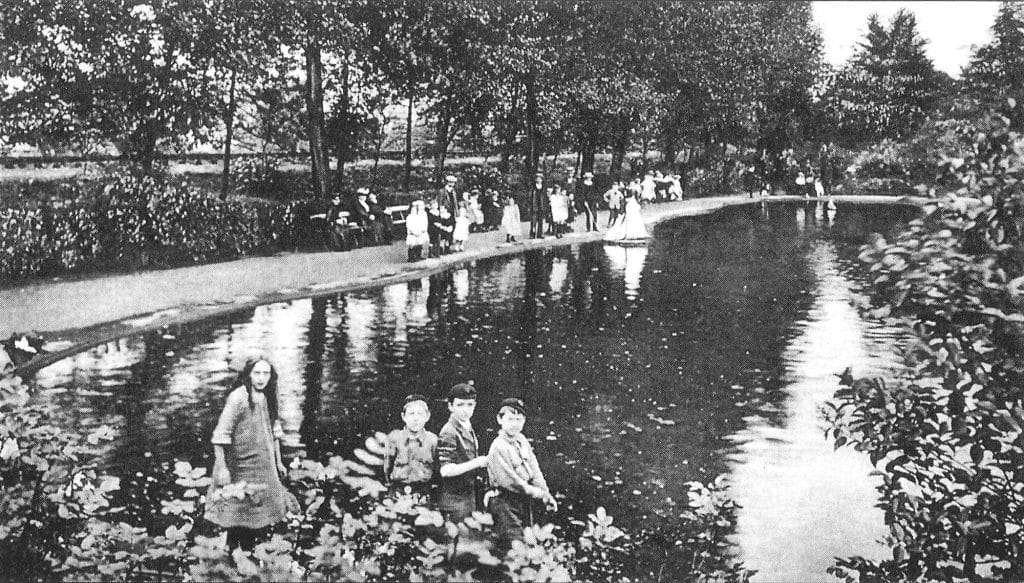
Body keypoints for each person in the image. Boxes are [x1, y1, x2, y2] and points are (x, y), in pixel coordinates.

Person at [205, 358, 298, 552]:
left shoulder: (269, 396)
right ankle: (231, 555)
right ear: (248, 374)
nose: (261, 378)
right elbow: (221, 435)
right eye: (257, 373)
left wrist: (279, 461)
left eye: (266, 373)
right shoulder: (238, 397)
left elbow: (274, 432)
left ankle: (248, 556)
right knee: (236, 513)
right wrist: (221, 466)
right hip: (239, 465)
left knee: (256, 512)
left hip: (261, 465)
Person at [485, 398, 557, 553]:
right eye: (510, 419)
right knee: (513, 546)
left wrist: (547, 494)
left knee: (529, 542)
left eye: (519, 419)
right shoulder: (498, 446)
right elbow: (513, 482)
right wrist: (539, 494)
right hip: (504, 502)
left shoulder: (521, 440)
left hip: (523, 501)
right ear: (500, 419)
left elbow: (535, 470)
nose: (514, 424)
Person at [437, 383, 489, 524]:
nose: (465, 410)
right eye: (460, 405)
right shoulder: (448, 431)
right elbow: (446, 470)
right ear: (450, 407)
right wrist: (477, 462)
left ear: (474, 405)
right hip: (454, 501)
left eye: (469, 405)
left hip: (469, 497)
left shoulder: (468, 427)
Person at [383, 394, 438, 498]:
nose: (416, 418)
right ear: (403, 417)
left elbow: (437, 470)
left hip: (424, 493)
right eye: (411, 414)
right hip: (398, 492)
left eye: (420, 414)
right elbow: (387, 467)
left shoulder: (433, 441)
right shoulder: (394, 438)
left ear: (427, 416)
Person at [528, 172, 548, 239]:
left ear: (542, 180)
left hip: (541, 205)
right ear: (535, 179)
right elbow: (530, 196)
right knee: (533, 220)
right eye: (537, 179)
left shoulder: (544, 187)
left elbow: (545, 196)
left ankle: (540, 234)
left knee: (540, 220)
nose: (539, 180)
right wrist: (530, 205)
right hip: (534, 205)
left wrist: (545, 205)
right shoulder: (533, 187)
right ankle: (532, 234)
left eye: (540, 179)